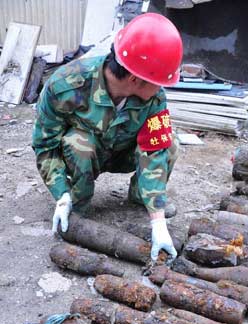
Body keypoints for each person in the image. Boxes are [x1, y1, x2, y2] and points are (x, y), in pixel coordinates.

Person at [32, 12, 183, 261]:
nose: (162, 87)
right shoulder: (65, 85)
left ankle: (140, 196)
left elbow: (154, 150)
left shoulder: (154, 98)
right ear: (136, 79)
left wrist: (158, 222)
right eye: (159, 81)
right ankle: (76, 204)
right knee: (79, 142)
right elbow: (45, 145)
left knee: (170, 143)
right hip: (86, 155)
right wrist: (60, 194)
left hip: (124, 153)